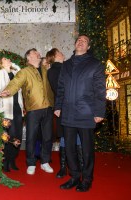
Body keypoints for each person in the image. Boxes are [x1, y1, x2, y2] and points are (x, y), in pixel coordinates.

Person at [54, 35, 106, 192]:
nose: (81, 42)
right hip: (68, 112)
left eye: (84, 41)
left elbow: (100, 89)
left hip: (87, 112)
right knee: (69, 148)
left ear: (88, 47)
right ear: (75, 44)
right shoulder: (66, 64)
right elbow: (61, 87)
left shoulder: (95, 64)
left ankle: (87, 178)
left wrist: (99, 111)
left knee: (87, 149)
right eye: (79, 40)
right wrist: (58, 106)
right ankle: (75, 176)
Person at [0, 48, 54, 175]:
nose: (39, 54)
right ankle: (31, 163)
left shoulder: (46, 70)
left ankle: (45, 162)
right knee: (31, 137)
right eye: (35, 53)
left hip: (48, 107)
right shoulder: (24, 71)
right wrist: (8, 90)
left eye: (38, 52)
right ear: (29, 57)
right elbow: (15, 83)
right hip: (33, 109)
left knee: (47, 137)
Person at [46, 48, 83, 179]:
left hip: (66, 106)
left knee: (71, 134)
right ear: (55, 56)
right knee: (67, 135)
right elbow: (61, 88)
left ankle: (71, 166)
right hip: (65, 107)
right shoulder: (56, 70)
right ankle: (66, 166)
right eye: (60, 52)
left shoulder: (60, 69)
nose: (63, 53)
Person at [0, 57, 24, 172]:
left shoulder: (15, 73)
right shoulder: (1, 73)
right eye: (6, 59)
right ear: (1, 64)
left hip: (17, 108)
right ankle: (5, 161)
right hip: (7, 109)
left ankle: (12, 160)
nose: (9, 59)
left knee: (18, 136)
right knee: (8, 137)